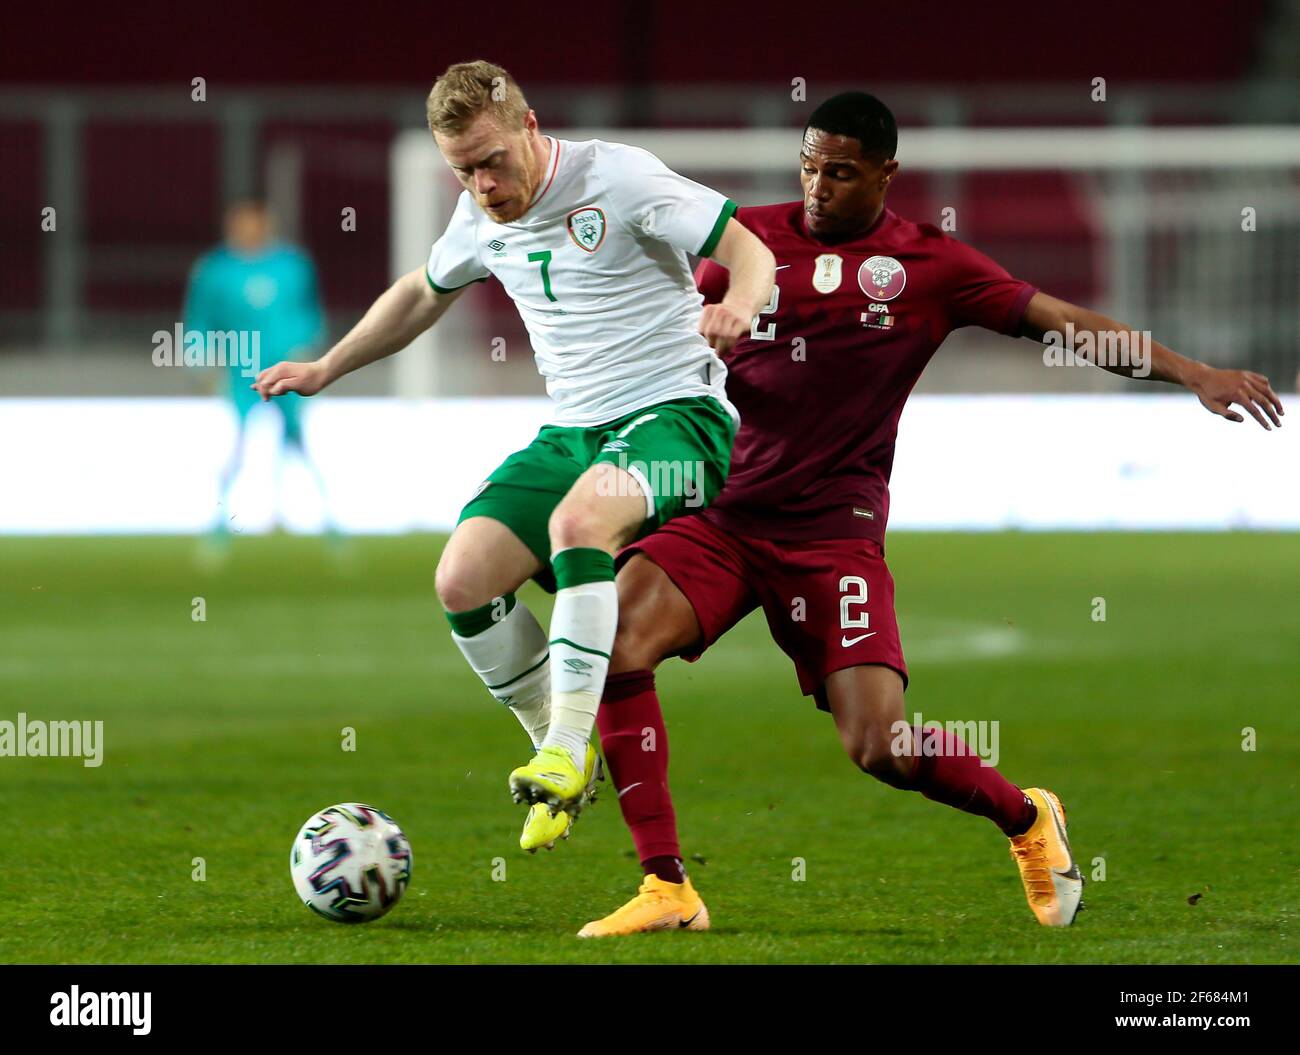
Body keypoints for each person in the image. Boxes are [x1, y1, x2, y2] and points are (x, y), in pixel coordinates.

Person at [579, 91, 1284, 938]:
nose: (818, 188)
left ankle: (1025, 815)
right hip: (722, 519)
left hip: (831, 540)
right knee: (617, 642)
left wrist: (1192, 372)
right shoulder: (743, 243)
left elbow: (1066, 324)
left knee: (877, 744)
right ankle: (667, 885)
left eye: (840, 172)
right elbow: (658, 343)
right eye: (809, 167)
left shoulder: (931, 265)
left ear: (885, 173)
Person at [252, 60, 775, 851]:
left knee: (579, 522)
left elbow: (750, 247)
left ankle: (565, 746)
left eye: (492, 161)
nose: (484, 185)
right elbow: (422, 292)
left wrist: (737, 303)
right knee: (462, 577)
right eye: (463, 170)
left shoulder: (619, 177)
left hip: (678, 417)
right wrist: (329, 366)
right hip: (574, 432)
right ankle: (559, 738)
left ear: (529, 127)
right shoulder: (477, 211)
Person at [183, 199, 330, 537]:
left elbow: (310, 315)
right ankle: (220, 524)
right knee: (238, 443)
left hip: (288, 369)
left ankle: (317, 519)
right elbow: (199, 321)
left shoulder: (293, 266)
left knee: (296, 439)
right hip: (242, 371)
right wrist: (201, 363)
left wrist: (309, 351)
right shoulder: (215, 269)